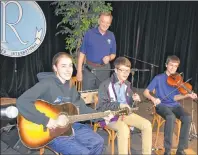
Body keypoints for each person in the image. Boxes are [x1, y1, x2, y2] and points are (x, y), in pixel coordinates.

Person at [16, 52, 105, 155]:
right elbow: (22, 101)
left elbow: (82, 109)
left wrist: (102, 116)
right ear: (55, 68)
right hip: (51, 132)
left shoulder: (71, 85)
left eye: (70, 66)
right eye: (63, 66)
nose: (68, 70)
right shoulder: (47, 83)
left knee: (98, 142)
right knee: (83, 152)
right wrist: (46, 120)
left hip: (70, 125)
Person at [96, 57, 152, 155]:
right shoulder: (105, 85)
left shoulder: (127, 84)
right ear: (115, 70)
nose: (126, 73)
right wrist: (119, 105)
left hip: (124, 113)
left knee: (147, 125)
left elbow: (130, 105)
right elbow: (102, 106)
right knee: (124, 129)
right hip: (110, 115)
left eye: (128, 71)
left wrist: (135, 100)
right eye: (122, 70)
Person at [143, 55, 197, 155]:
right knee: (170, 117)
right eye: (171, 65)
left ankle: (180, 150)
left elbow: (175, 98)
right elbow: (146, 92)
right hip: (161, 105)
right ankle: (167, 150)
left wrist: (187, 95)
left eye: (175, 66)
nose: (173, 68)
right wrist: (153, 98)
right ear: (166, 65)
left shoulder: (177, 80)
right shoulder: (158, 78)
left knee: (187, 117)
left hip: (174, 105)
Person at [77, 12, 116, 90]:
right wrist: (79, 71)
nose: (105, 24)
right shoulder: (89, 33)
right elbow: (82, 53)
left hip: (104, 70)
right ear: (99, 21)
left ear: (110, 24)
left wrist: (109, 57)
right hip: (89, 69)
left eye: (107, 22)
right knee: (86, 96)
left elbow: (113, 54)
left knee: (101, 96)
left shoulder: (111, 35)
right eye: (103, 21)